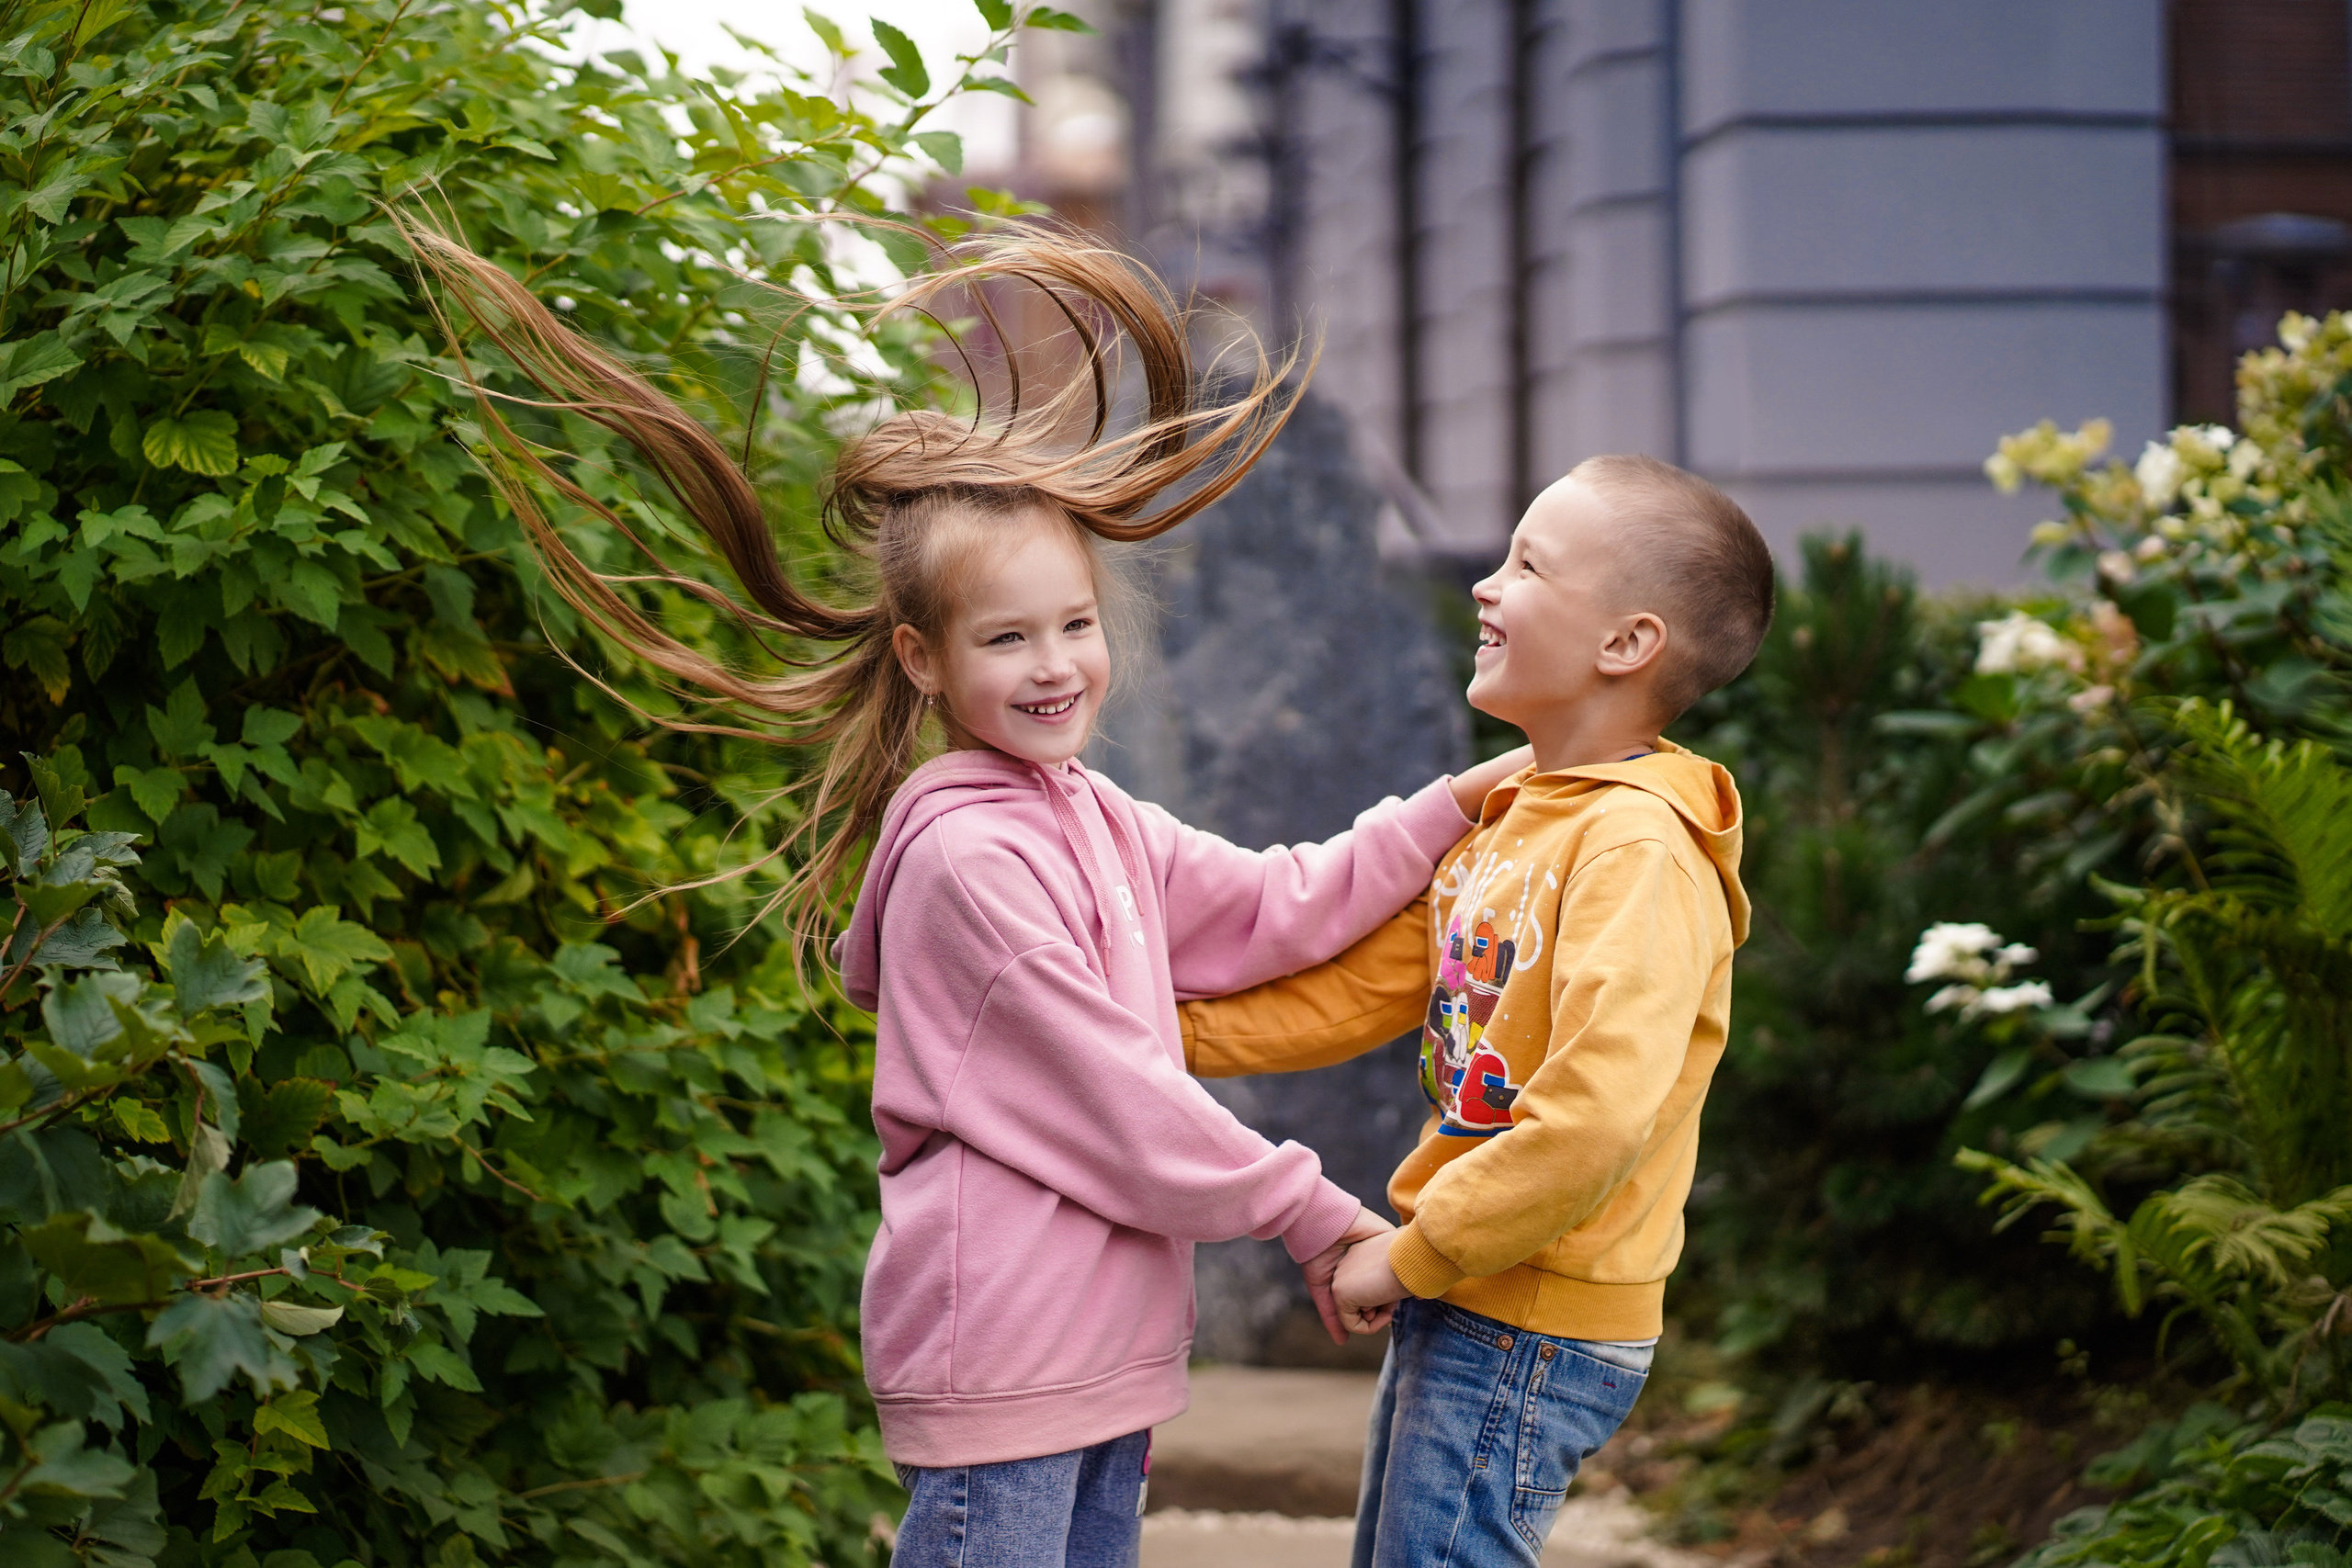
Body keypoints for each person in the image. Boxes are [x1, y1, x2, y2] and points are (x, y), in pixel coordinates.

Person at [400, 218, 1527, 1568]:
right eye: (1006, 638)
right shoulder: (967, 863)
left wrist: (1452, 804)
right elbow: (1120, 1091)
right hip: (1002, 1355)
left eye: (1076, 624)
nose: (1056, 665)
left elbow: (1273, 904)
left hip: (1103, 1350)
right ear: (923, 661)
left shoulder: (1090, 814)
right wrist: (1315, 1209)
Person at [1177, 455, 1773, 1568]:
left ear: (1624, 645)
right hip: (1473, 1281)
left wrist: (1412, 1254)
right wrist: (1161, 1035)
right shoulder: (1522, 819)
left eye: (1527, 565)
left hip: (1533, 1311)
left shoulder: (1637, 851)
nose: (1484, 588)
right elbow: (1365, 991)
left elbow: (1595, 1119)